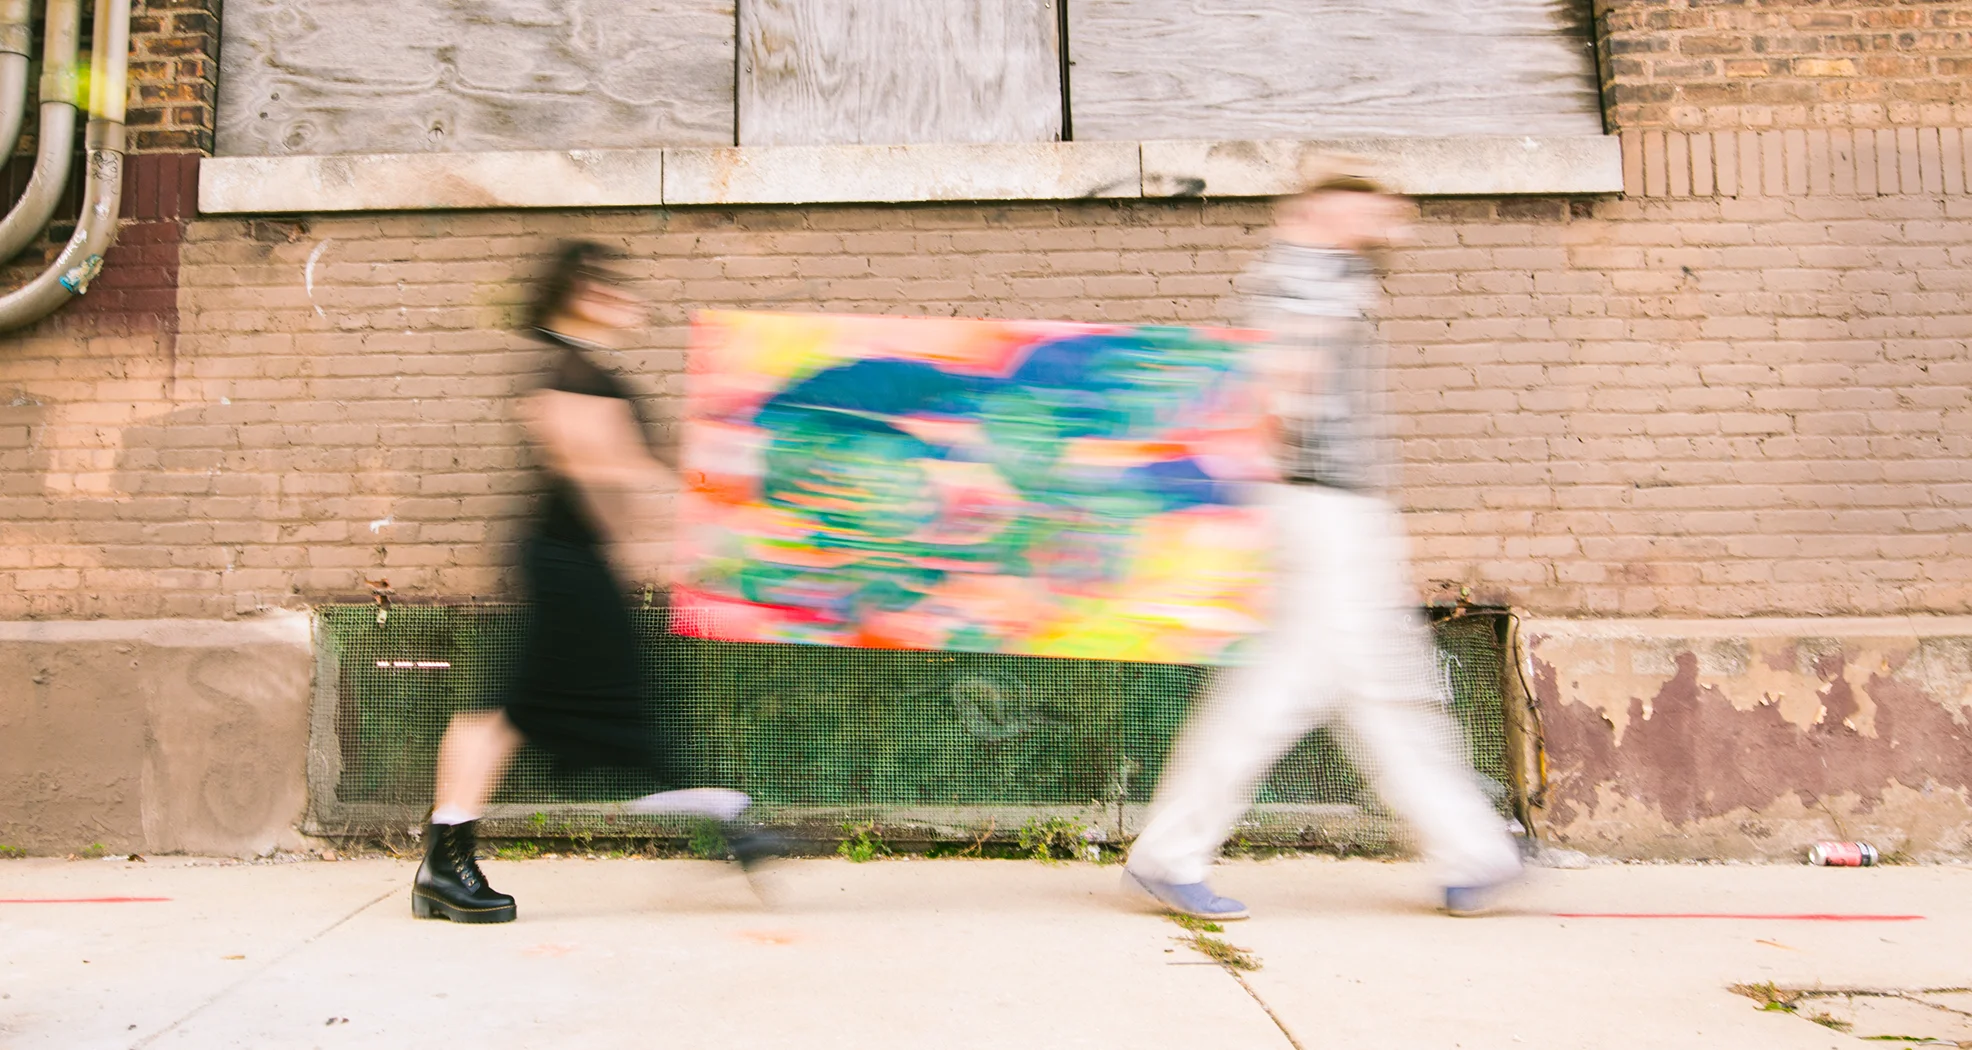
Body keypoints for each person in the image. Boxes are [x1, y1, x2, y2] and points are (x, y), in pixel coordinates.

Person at [1120, 160, 1525, 920]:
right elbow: (1286, 377)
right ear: (1318, 212)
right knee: (1373, 687)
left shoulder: (1313, 271)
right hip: (1324, 513)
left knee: (1293, 687)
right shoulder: (1313, 274)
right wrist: (1261, 484)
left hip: (1315, 509)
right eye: (1360, 210)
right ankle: (1476, 853)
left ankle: (1169, 855)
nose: (1382, 221)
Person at [413, 241, 777, 924]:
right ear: (578, 293)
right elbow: (597, 465)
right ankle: (726, 820)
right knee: (521, 705)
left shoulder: (580, 370)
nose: (627, 299)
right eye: (610, 288)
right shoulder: (566, 372)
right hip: (562, 562)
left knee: (534, 704)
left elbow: (628, 466)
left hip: (574, 560)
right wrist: (705, 488)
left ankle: (447, 859)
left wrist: (709, 488)